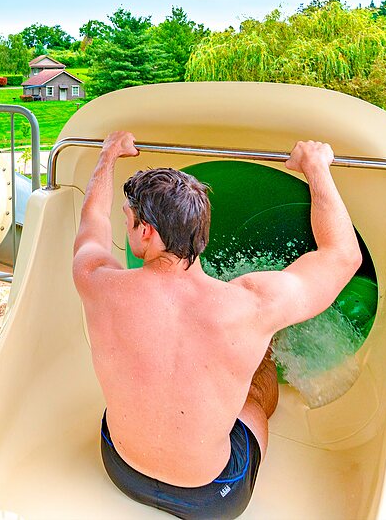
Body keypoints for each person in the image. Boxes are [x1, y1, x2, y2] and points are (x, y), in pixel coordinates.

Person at [72, 131, 359, 519]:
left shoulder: (97, 282)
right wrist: (316, 167)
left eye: (129, 219)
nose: (126, 226)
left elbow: (90, 223)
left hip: (121, 468)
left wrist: (108, 156)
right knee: (255, 381)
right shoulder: (252, 304)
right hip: (212, 498)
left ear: (147, 232)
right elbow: (342, 256)